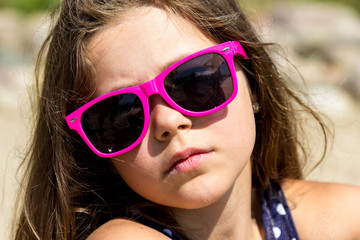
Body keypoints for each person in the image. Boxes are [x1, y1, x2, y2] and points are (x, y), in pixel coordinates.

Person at [13, 0, 360, 239]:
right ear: (89, 147)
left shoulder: (334, 217)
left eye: (195, 80)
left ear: (253, 82)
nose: (168, 121)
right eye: (122, 114)